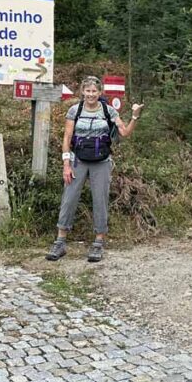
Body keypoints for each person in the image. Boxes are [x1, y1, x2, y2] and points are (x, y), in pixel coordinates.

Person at [47, 76, 143, 263]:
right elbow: (67, 138)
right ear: (83, 92)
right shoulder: (75, 110)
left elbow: (125, 133)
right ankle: (60, 241)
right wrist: (66, 164)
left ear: (100, 93)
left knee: (100, 200)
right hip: (78, 160)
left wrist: (134, 116)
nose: (90, 95)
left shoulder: (108, 111)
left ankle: (99, 242)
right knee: (69, 198)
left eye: (94, 91)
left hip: (102, 161)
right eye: (87, 91)